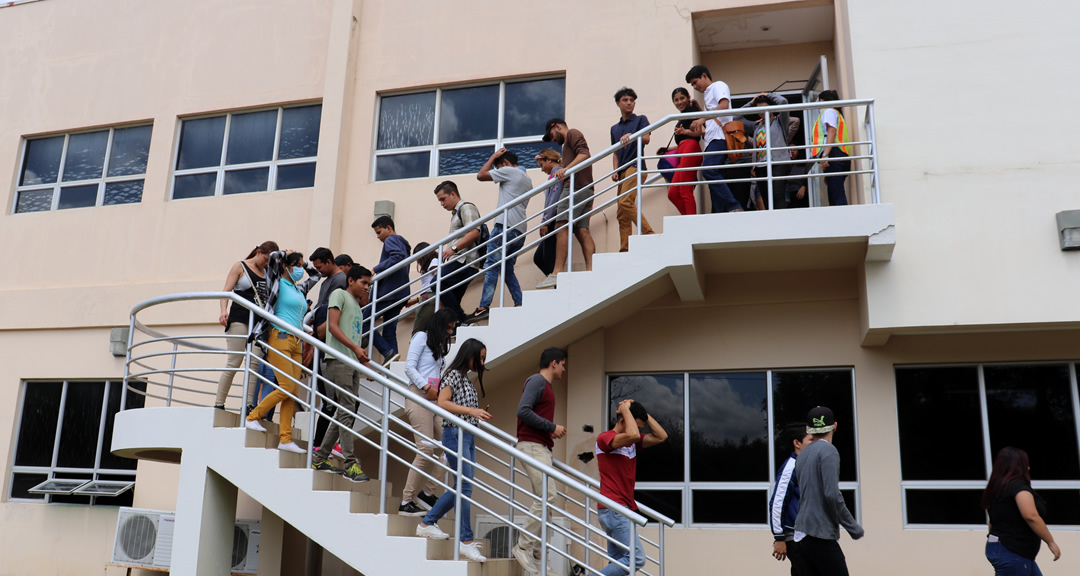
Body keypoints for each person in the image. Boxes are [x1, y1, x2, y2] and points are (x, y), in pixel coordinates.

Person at [415, 338, 490, 564]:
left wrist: (475, 414)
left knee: (462, 486)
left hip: (466, 435)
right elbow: (443, 403)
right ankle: (465, 541)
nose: (483, 362)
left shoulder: (464, 377)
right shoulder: (454, 375)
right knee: (464, 486)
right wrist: (471, 411)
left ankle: (427, 523)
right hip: (455, 434)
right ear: (470, 355)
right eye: (481, 357)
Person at [244, 251, 322, 454]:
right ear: (287, 266)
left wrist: (304, 265)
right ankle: (254, 416)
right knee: (287, 386)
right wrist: (284, 254)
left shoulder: (299, 288)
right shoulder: (277, 282)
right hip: (279, 337)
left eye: (301, 266)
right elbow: (271, 260)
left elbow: (316, 276)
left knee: (292, 391)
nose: (300, 270)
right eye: (297, 265)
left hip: (297, 342)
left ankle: (285, 439)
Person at [310, 265, 372, 482]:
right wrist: (355, 350)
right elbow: (332, 328)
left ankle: (320, 457)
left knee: (344, 411)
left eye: (369, 284)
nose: (367, 287)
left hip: (351, 362)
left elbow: (353, 337)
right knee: (346, 410)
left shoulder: (357, 305)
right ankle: (350, 463)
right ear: (351, 280)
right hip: (338, 360)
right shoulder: (339, 294)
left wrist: (362, 360)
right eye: (363, 283)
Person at [511, 348, 569, 575]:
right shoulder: (537, 381)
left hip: (540, 446)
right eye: (563, 364)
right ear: (554, 363)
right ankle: (524, 546)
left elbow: (531, 414)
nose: (564, 368)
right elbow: (522, 411)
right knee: (548, 496)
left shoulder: (545, 387)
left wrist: (549, 431)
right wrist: (551, 426)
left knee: (547, 504)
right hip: (533, 446)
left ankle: (538, 555)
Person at [595, 399, 668, 576]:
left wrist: (642, 412)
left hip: (619, 509)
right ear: (623, 421)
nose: (639, 431)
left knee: (619, 561)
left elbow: (661, 436)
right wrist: (626, 410)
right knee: (636, 559)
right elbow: (634, 435)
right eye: (636, 426)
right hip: (615, 509)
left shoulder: (632, 442)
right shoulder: (605, 438)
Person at [398, 308, 457, 516]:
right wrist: (426, 388)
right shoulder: (421, 337)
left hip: (434, 399)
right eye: (448, 328)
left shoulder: (439, 344)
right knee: (426, 449)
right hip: (418, 396)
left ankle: (427, 493)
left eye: (452, 328)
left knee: (453, 447)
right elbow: (409, 367)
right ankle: (406, 501)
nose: (450, 332)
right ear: (439, 324)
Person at [793, 406, 863, 576]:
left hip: (801, 534)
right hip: (819, 534)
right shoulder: (829, 451)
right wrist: (853, 527)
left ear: (808, 429)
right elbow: (832, 494)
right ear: (835, 426)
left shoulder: (802, 454)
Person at [465, 148, 531, 323]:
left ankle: (483, 307)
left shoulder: (509, 171)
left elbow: (481, 175)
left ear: (506, 164)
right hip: (520, 230)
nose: (498, 171)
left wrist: (493, 157)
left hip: (505, 227)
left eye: (498, 167)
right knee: (506, 269)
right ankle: (519, 303)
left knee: (492, 265)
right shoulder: (526, 178)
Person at [214, 240, 278, 411]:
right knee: (234, 361)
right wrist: (223, 310)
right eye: (265, 259)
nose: (266, 264)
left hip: (259, 324)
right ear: (258, 252)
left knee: (254, 365)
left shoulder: (269, 271)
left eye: (269, 261)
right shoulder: (240, 266)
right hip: (239, 318)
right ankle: (219, 403)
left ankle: (249, 405)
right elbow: (226, 291)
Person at [983, 447, 1062, 575]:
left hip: (1005, 549)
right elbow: (1031, 516)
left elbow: (993, 522)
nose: (1029, 468)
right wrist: (1050, 542)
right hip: (1013, 551)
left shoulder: (996, 489)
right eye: (1026, 464)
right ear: (1019, 466)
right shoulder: (1018, 487)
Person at [538, 118, 597, 288]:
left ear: (557, 127)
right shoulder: (566, 146)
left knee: (561, 226)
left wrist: (566, 169)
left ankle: (557, 273)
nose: (553, 140)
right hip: (585, 188)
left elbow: (584, 154)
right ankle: (592, 269)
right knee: (581, 230)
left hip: (575, 188)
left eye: (552, 136)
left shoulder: (572, 133)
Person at [685, 65, 742, 214]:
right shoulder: (708, 93)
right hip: (711, 140)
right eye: (692, 85)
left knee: (709, 170)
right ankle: (718, 212)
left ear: (704, 75)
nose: (695, 86)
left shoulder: (718, 85)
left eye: (695, 82)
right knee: (712, 176)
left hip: (720, 138)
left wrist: (702, 118)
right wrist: (700, 110)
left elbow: (724, 105)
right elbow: (713, 114)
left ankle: (733, 205)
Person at [609, 87, 654, 252]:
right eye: (625, 100)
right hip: (622, 171)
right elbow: (615, 152)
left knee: (625, 202)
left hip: (636, 166)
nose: (629, 103)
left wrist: (632, 135)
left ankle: (649, 234)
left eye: (632, 100)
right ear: (618, 103)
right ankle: (624, 249)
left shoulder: (640, 119)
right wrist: (615, 170)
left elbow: (647, 139)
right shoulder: (614, 128)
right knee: (621, 212)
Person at [434, 181, 483, 323]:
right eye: (440, 201)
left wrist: (453, 249)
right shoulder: (456, 213)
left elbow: (474, 232)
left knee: (437, 283)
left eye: (443, 199)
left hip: (464, 260)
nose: (442, 204)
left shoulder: (466, 208)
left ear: (453, 194)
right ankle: (457, 326)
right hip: (460, 260)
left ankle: (462, 319)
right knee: (451, 299)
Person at [770, 423, 813, 576]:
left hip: (810, 536)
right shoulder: (791, 467)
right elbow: (777, 503)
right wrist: (779, 538)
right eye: (811, 441)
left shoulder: (807, 465)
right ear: (797, 443)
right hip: (795, 538)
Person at [371, 215, 412, 365]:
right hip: (400, 293)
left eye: (379, 232)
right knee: (389, 331)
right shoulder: (402, 242)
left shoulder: (391, 239)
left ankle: (387, 352)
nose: (378, 236)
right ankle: (392, 363)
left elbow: (398, 257)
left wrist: (375, 270)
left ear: (389, 228)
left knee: (362, 323)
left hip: (388, 292)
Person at [659, 88, 704, 215]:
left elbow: (699, 132)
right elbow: (683, 141)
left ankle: (691, 222)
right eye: (676, 100)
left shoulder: (692, 111)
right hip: (683, 150)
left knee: (685, 190)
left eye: (682, 98)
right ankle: (686, 219)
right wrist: (668, 149)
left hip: (691, 149)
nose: (679, 102)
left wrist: (684, 131)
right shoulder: (681, 116)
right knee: (673, 194)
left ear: (688, 97)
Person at [746, 92, 792, 210]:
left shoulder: (780, 122)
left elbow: (783, 102)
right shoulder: (756, 126)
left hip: (778, 163)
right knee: (766, 198)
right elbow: (736, 117)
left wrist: (769, 95)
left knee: (778, 195)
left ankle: (782, 224)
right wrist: (751, 103)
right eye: (758, 108)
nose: (762, 111)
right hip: (761, 166)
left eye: (765, 107)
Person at [810, 90, 851, 206]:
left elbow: (831, 131)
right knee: (834, 192)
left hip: (834, 154)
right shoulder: (836, 112)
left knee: (836, 193)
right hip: (839, 155)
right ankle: (839, 219)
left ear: (822, 101)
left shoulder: (828, 111)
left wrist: (825, 155)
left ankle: (843, 219)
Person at [533, 149, 563, 277]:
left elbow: (553, 200)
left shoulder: (556, 173)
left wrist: (545, 222)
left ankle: (560, 286)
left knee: (548, 259)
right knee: (539, 258)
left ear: (549, 160)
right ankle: (558, 284)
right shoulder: (553, 175)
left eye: (541, 165)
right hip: (551, 220)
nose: (541, 169)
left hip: (553, 220)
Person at [406, 242, 439, 336]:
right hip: (427, 297)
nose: (418, 261)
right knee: (424, 332)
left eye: (418, 258)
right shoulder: (432, 262)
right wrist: (416, 300)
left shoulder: (434, 262)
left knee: (417, 332)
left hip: (428, 298)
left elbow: (438, 281)